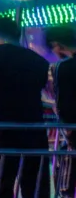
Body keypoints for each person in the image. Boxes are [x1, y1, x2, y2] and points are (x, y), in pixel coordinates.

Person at [0, 16, 50, 198]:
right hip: (34, 130)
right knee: (34, 185)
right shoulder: (38, 61)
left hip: (2, 130)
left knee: (1, 183)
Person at [46, 26, 76, 197]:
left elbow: (62, 100)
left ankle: (66, 192)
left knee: (68, 161)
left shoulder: (62, 67)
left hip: (72, 125)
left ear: (57, 44)